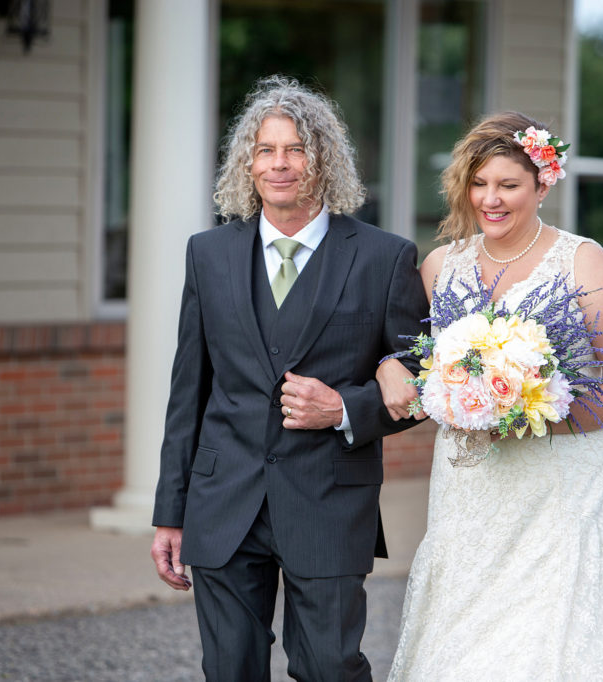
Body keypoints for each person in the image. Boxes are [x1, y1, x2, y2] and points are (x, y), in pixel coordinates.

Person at [149, 75, 429, 681]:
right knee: (229, 671)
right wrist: (170, 513)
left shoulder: (385, 258)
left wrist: (345, 409)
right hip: (223, 504)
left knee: (331, 667)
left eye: (296, 149)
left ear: (323, 160)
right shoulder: (208, 253)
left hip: (330, 502)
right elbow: (187, 392)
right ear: (247, 163)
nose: (280, 164)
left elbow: (424, 383)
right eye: (266, 150)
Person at [376, 111, 603, 680]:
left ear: (542, 182)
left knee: (541, 641)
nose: (490, 199)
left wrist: (529, 413)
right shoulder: (439, 266)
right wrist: (388, 367)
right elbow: (406, 356)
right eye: (479, 184)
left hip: (562, 483)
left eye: (508, 185)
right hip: (471, 486)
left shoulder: (581, 260)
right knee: (462, 640)